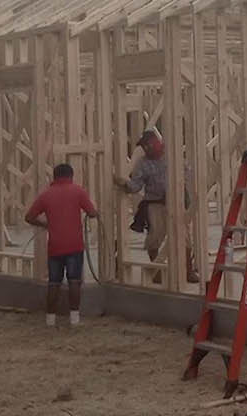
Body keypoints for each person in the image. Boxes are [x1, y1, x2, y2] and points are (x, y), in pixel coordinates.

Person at [115, 129, 199, 283]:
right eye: (144, 147)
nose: (146, 149)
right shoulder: (143, 164)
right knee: (154, 237)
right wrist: (125, 184)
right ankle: (156, 271)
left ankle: (188, 271)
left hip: (176, 202)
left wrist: (187, 191)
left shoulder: (172, 156)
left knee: (185, 237)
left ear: (156, 143)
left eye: (148, 145)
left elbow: (188, 174)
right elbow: (136, 185)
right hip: (155, 204)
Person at [26, 163, 98, 326]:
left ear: (55, 177)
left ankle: (50, 320)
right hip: (75, 246)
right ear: (71, 176)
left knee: (54, 283)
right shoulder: (78, 191)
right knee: (74, 281)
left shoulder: (46, 195)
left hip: (55, 247)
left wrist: (45, 224)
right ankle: (74, 319)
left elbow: (29, 217)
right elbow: (92, 213)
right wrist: (95, 213)